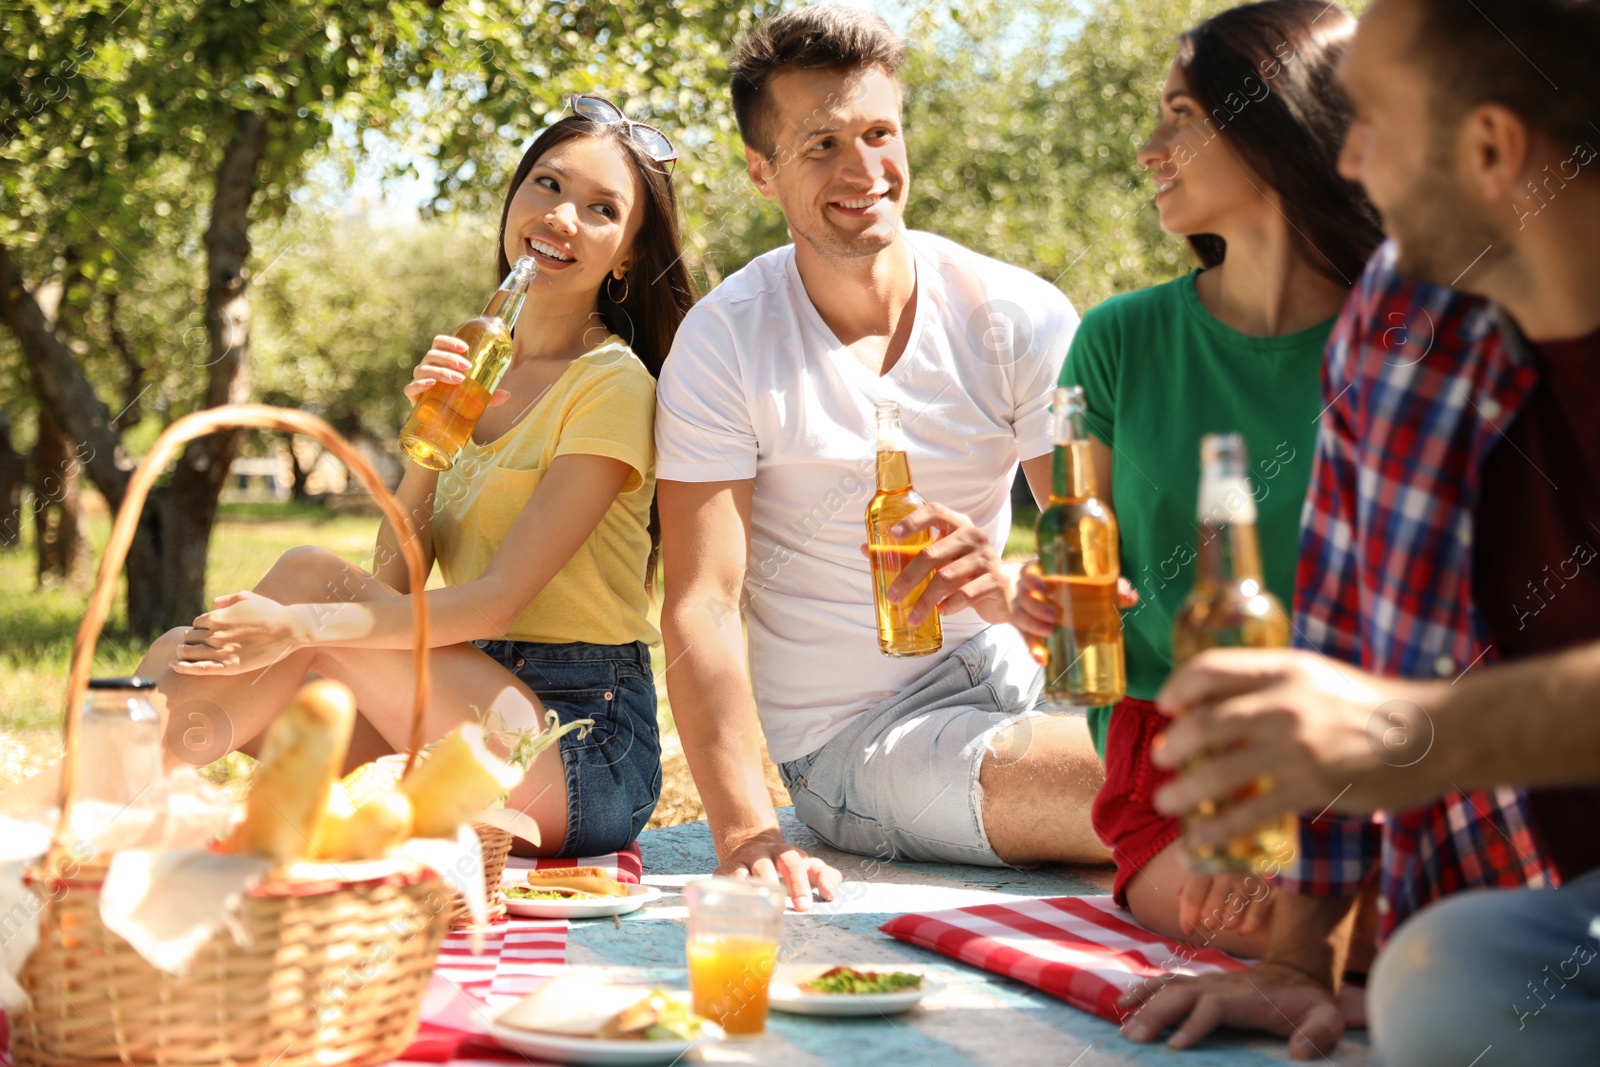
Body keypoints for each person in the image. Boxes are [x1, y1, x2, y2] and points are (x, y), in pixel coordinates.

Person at [1117, 0, 1600, 1061]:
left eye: (1369, 115)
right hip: (1563, 900)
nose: (1345, 151)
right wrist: (1299, 960)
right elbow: (1338, 629)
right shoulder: (1396, 320)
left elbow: (1380, 715)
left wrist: (1409, 728)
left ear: (1488, 148)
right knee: (1446, 980)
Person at [138, 96, 698, 856]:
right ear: (515, 201)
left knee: (304, 579)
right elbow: (396, 587)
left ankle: (81, 822)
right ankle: (117, 812)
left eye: (602, 209)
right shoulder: (480, 363)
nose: (563, 217)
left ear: (627, 252)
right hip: (456, 702)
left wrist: (295, 627)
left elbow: (497, 601)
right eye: (548, 185)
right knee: (175, 655)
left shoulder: (611, 385)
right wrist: (429, 447)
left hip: (577, 744)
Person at [654, 5, 1107, 911]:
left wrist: (1009, 593)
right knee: (1147, 784)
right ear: (760, 170)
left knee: (1229, 743)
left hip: (1018, 674)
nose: (864, 172)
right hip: (859, 738)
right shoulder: (723, 343)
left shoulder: (1015, 313)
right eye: (820, 144)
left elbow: (1090, 556)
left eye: (878, 133)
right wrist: (747, 834)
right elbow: (702, 602)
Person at [1007, 0, 1382, 959]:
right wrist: (1045, 600)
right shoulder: (1121, 339)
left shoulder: (1408, 341)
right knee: (1288, 924)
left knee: (1418, 930)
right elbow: (1084, 565)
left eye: (1182, 115)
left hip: (1378, 754)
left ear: (1276, 125)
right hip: (1179, 759)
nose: (1148, 147)